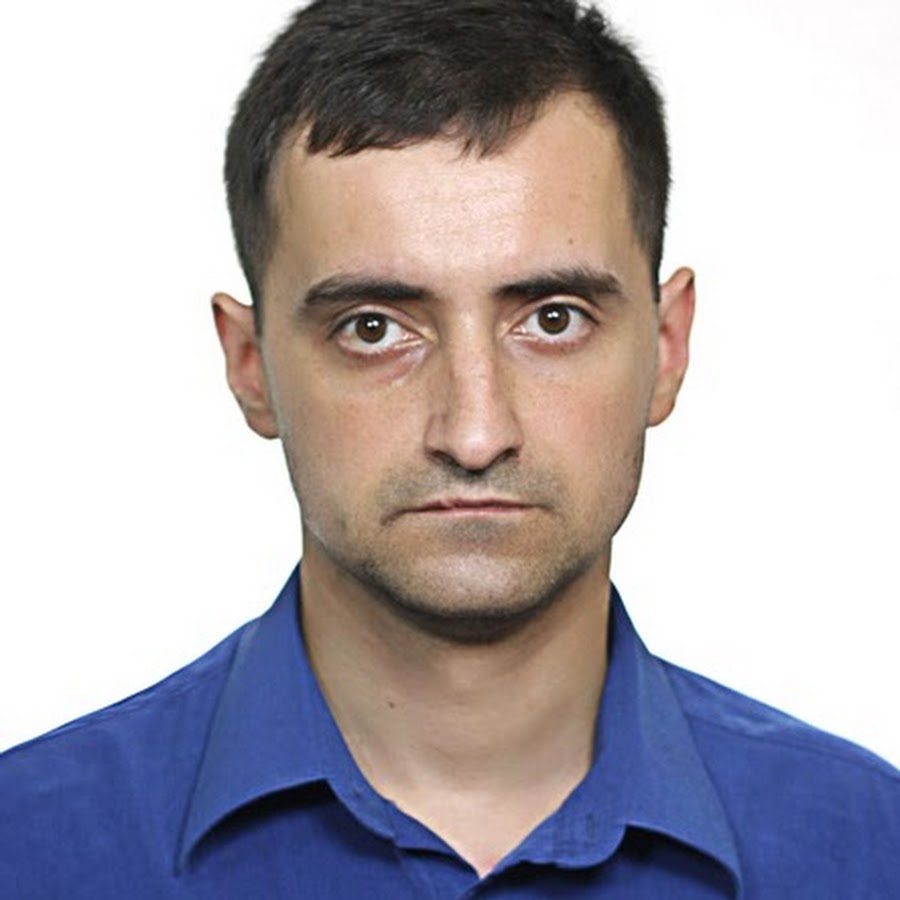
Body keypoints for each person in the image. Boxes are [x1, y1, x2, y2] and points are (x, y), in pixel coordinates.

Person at [1, 0, 897, 896]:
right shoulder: (27, 849)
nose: (475, 433)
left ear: (667, 349)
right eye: (373, 327)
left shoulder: (871, 849)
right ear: (251, 365)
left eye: (554, 319)